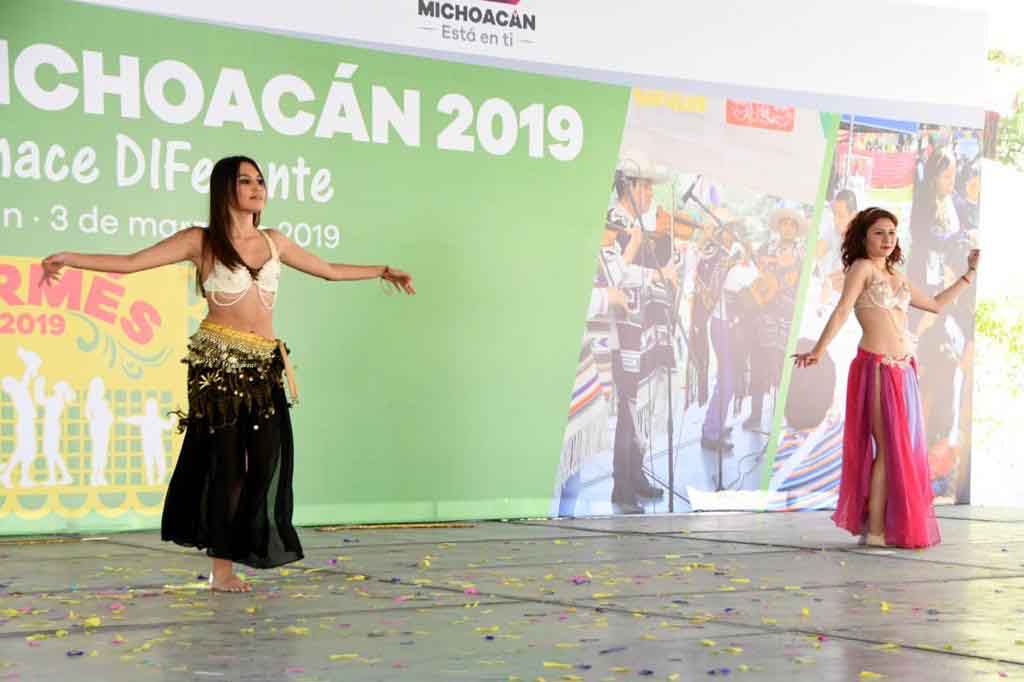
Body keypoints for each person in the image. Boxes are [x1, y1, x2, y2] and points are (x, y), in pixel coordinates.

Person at [39, 155, 415, 591]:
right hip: (216, 367)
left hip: (263, 365)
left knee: (266, 460)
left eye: (261, 181)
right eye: (245, 181)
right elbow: (131, 262)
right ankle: (222, 569)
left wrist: (381, 270)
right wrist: (68, 258)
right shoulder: (200, 241)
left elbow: (329, 271)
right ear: (225, 188)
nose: (257, 188)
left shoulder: (274, 241)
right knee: (229, 466)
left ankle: (241, 544)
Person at [793, 207, 978, 549]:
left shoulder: (897, 275)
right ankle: (875, 530)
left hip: (904, 369)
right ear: (863, 237)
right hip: (877, 366)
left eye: (891, 232)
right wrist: (819, 349)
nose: (887, 239)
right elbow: (842, 310)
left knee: (902, 448)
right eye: (879, 232)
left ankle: (883, 527)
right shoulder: (862, 268)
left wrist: (969, 274)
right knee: (888, 447)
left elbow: (935, 304)